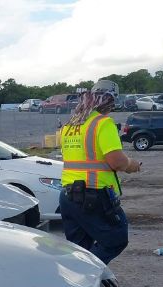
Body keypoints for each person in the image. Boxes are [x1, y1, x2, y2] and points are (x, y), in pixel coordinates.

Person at [59, 79, 141, 264]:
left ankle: (78, 283)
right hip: (94, 196)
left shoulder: (70, 125)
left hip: (68, 196)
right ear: (109, 101)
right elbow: (117, 162)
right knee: (116, 239)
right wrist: (132, 164)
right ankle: (89, 272)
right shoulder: (103, 123)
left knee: (79, 248)